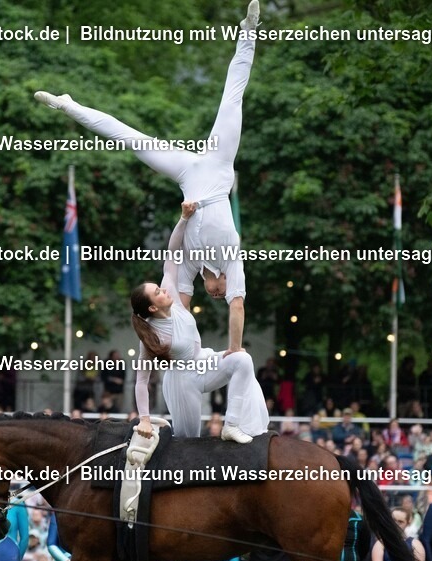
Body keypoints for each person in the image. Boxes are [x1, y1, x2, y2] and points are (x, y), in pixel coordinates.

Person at [37, 0, 260, 353]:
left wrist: (181, 347)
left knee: (131, 139)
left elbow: (181, 310)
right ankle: (248, 32)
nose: (220, 294)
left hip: (188, 176)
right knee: (231, 101)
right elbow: (238, 304)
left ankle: (68, 106)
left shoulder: (190, 266)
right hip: (217, 168)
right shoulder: (233, 258)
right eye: (222, 292)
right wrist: (234, 349)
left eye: (215, 294)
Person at [131, 201, 269, 441]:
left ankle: (232, 425)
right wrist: (144, 418)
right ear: (153, 307)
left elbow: (173, 251)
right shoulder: (152, 337)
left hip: (203, 362)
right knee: (188, 441)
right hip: (181, 384)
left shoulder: (171, 292)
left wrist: (184, 218)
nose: (163, 290)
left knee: (242, 360)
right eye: (157, 292)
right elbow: (141, 382)